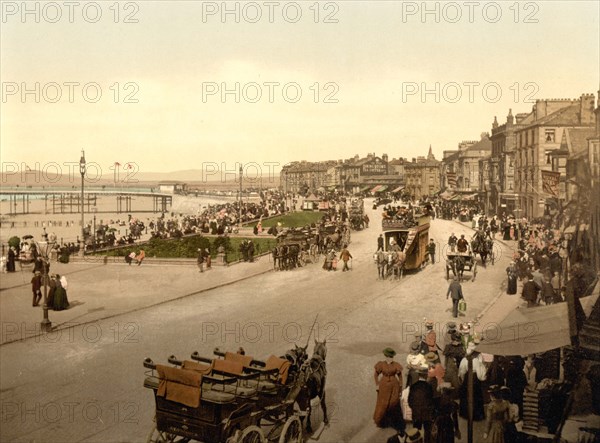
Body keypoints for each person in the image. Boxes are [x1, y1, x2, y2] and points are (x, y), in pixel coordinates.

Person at [373, 348, 405, 432]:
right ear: (385, 356)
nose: (389, 358)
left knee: (393, 402)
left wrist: (400, 388)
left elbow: (400, 377)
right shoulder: (381, 364)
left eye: (390, 357)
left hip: (394, 386)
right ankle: (382, 421)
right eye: (387, 356)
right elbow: (376, 375)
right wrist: (377, 384)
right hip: (383, 386)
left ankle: (394, 422)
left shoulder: (396, 365)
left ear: (393, 357)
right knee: (383, 403)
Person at [408, 370, 435, 443]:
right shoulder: (428, 386)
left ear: (418, 375)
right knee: (427, 432)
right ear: (426, 376)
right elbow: (431, 401)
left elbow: (409, 401)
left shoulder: (413, 386)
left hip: (416, 413)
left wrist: (414, 409)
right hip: (426, 413)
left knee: (416, 432)